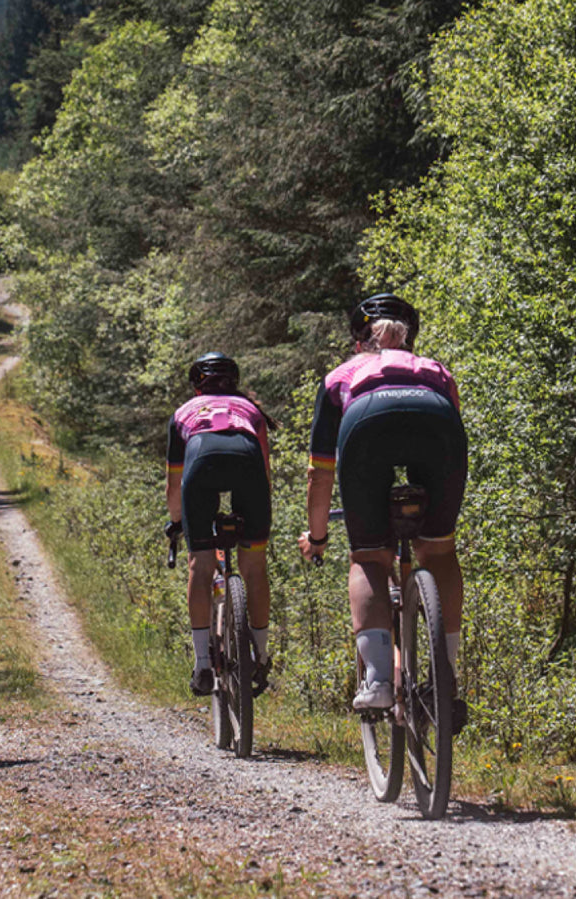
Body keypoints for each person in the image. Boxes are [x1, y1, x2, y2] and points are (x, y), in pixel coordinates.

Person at [297, 294, 468, 717]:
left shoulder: (340, 375)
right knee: (440, 549)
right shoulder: (437, 371)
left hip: (366, 422)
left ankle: (377, 681)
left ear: (358, 344)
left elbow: (320, 474)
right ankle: (444, 675)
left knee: (369, 557)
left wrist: (318, 536)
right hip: (437, 419)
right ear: (409, 342)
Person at [166, 352, 275, 697]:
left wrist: (176, 522)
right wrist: (258, 515)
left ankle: (201, 663)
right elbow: (265, 471)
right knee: (254, 566)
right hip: (248, 463)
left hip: (201, 462)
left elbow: (174, 481)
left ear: (197, 385)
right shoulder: (251, 411)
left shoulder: (184, 412)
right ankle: (259, 654)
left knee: (200, 565)